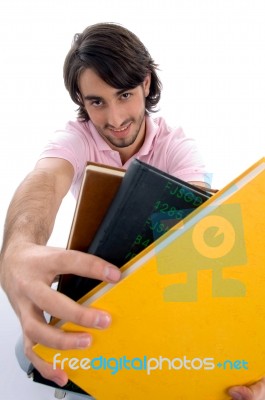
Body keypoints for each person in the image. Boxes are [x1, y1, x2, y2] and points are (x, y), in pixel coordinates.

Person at [0, 22, 263, 400]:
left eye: (124, 94)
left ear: (147, 84)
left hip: (161, 297)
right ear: (81, 99)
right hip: (95, 293)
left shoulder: (177, 146)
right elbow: (45, 181)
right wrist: (18, 248)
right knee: (42, 363)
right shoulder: (75, 139)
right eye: (97, 102)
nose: (115, 118)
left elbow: (203, 227)